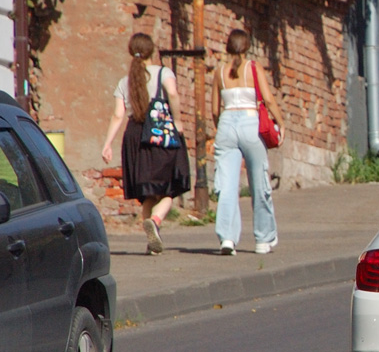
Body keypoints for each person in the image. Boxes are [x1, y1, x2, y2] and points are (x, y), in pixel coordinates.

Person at [101, 33, 192, 255]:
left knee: (148, 193)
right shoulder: (163, 73)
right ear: (153, 51)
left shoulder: (125, 81)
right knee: (170, 188)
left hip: (135, 136)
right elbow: (172, 93)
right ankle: (156, 220)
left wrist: (107, 144)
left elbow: (118, 115)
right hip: (161, 134)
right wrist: (178, 121)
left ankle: (152, 241)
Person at [211, 29, 285, 255]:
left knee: (226, 186)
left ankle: (227, 239)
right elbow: (269, 100)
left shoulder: (219, 72)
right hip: (250, 124)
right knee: (259, 182)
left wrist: (223, 127)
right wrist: (280, 124)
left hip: (226, 126)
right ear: (247, 47)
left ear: (227, 47)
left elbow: (215, 110)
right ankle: (263, 239)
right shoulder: (254, 68)